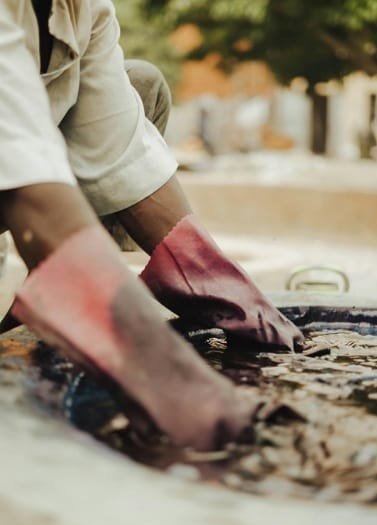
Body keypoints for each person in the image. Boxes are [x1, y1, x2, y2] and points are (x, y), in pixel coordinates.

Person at [0, 0, 303, 450]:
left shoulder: (85, 9)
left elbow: (118, 149)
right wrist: (161, 372)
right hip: (20, 194)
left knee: (142, 82)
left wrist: (208, 276)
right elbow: (20, 168)